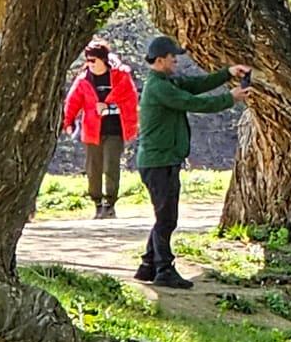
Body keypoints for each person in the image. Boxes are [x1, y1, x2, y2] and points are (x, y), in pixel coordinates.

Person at [135, 35, 250, 289]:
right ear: (161, 59)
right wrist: (230, 98)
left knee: (163, 214)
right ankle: (164, 269)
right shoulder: (159, 87)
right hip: (158, 161)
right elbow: (193, 102)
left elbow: (197, 85)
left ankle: (147, 265)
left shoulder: (168, 80)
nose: (176, 60)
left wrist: (227, 73)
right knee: (166, 217)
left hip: (164, 159)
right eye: (173, 56)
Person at [62, 39, 139, 219]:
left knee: (111, 166)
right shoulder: (83, 80)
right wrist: (68, 121)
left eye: (93, 61)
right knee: (93, 168)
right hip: (92, 129)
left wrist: (109, 108)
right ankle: (97, 202)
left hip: (115, 129)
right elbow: (73, 101)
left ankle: (110, 203)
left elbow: (130, 101)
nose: (90, 64)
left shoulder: (121, 77)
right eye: (87, 60)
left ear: (103, 60)